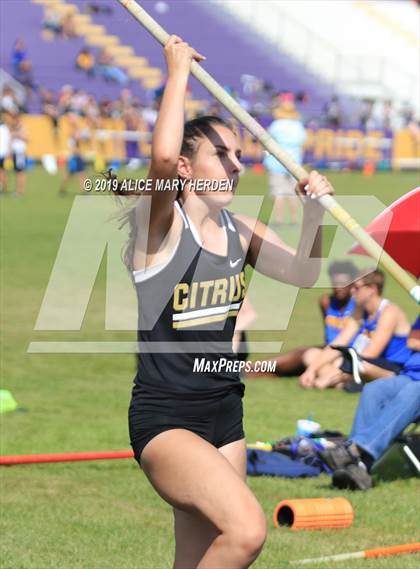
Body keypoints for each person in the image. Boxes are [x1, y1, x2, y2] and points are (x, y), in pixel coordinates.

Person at [124, 35, 335, 568]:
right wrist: (177, 72)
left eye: (240, 154)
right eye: (221, 153)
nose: (236, 164)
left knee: (197, 556)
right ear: (188, 171)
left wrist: (314, 215)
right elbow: (164, 154)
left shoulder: (240, 229)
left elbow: (305, 272)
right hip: (168, 420)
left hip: (226, 413)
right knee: (246, 531)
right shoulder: (161, 229)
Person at [321, 316, 420, 490]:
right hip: (410, 376)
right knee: (375, 389)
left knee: (415, 391)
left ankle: (354, 451)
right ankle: (358, 469)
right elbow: (413, 341)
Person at [300, 269, 412, 389]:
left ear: (372, 289)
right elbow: (340, 342)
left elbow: (370, 354)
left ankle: (340, 380)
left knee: (361, 367)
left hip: (393, 366)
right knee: (311, 354)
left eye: (356, 287)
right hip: (365, 362)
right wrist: (311, 370)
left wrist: (331, 375)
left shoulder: (389, 312)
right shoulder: (360, 309)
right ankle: (344, 382)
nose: (352, 291)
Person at [246, 260, 357, 378]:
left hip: (347, 351)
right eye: (335, 283)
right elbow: (328, 332)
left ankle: (251, 368)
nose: (339, 287)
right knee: (297, 357)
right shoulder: (326, 302)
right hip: (328, 348)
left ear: (352, 283)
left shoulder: (358, 305)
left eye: (343, 283)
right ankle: (253, 370)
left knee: (302, 354)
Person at [263, 92, 307, 225]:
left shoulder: (277, 125)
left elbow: (267, 141)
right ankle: (294, 219)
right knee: (294, 192)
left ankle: (279, 219)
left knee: (278, 192)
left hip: (277, 162)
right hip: (294, 162)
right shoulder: (298, 126)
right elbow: (303, 142)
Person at [0, 114, 11, 194]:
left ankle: (4, 188)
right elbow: (9, 141)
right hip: (4, 153)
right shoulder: (6, 128)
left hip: (2, 153)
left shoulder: (5, 128)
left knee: (2, 172)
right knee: (3, 172)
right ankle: (4, 188)